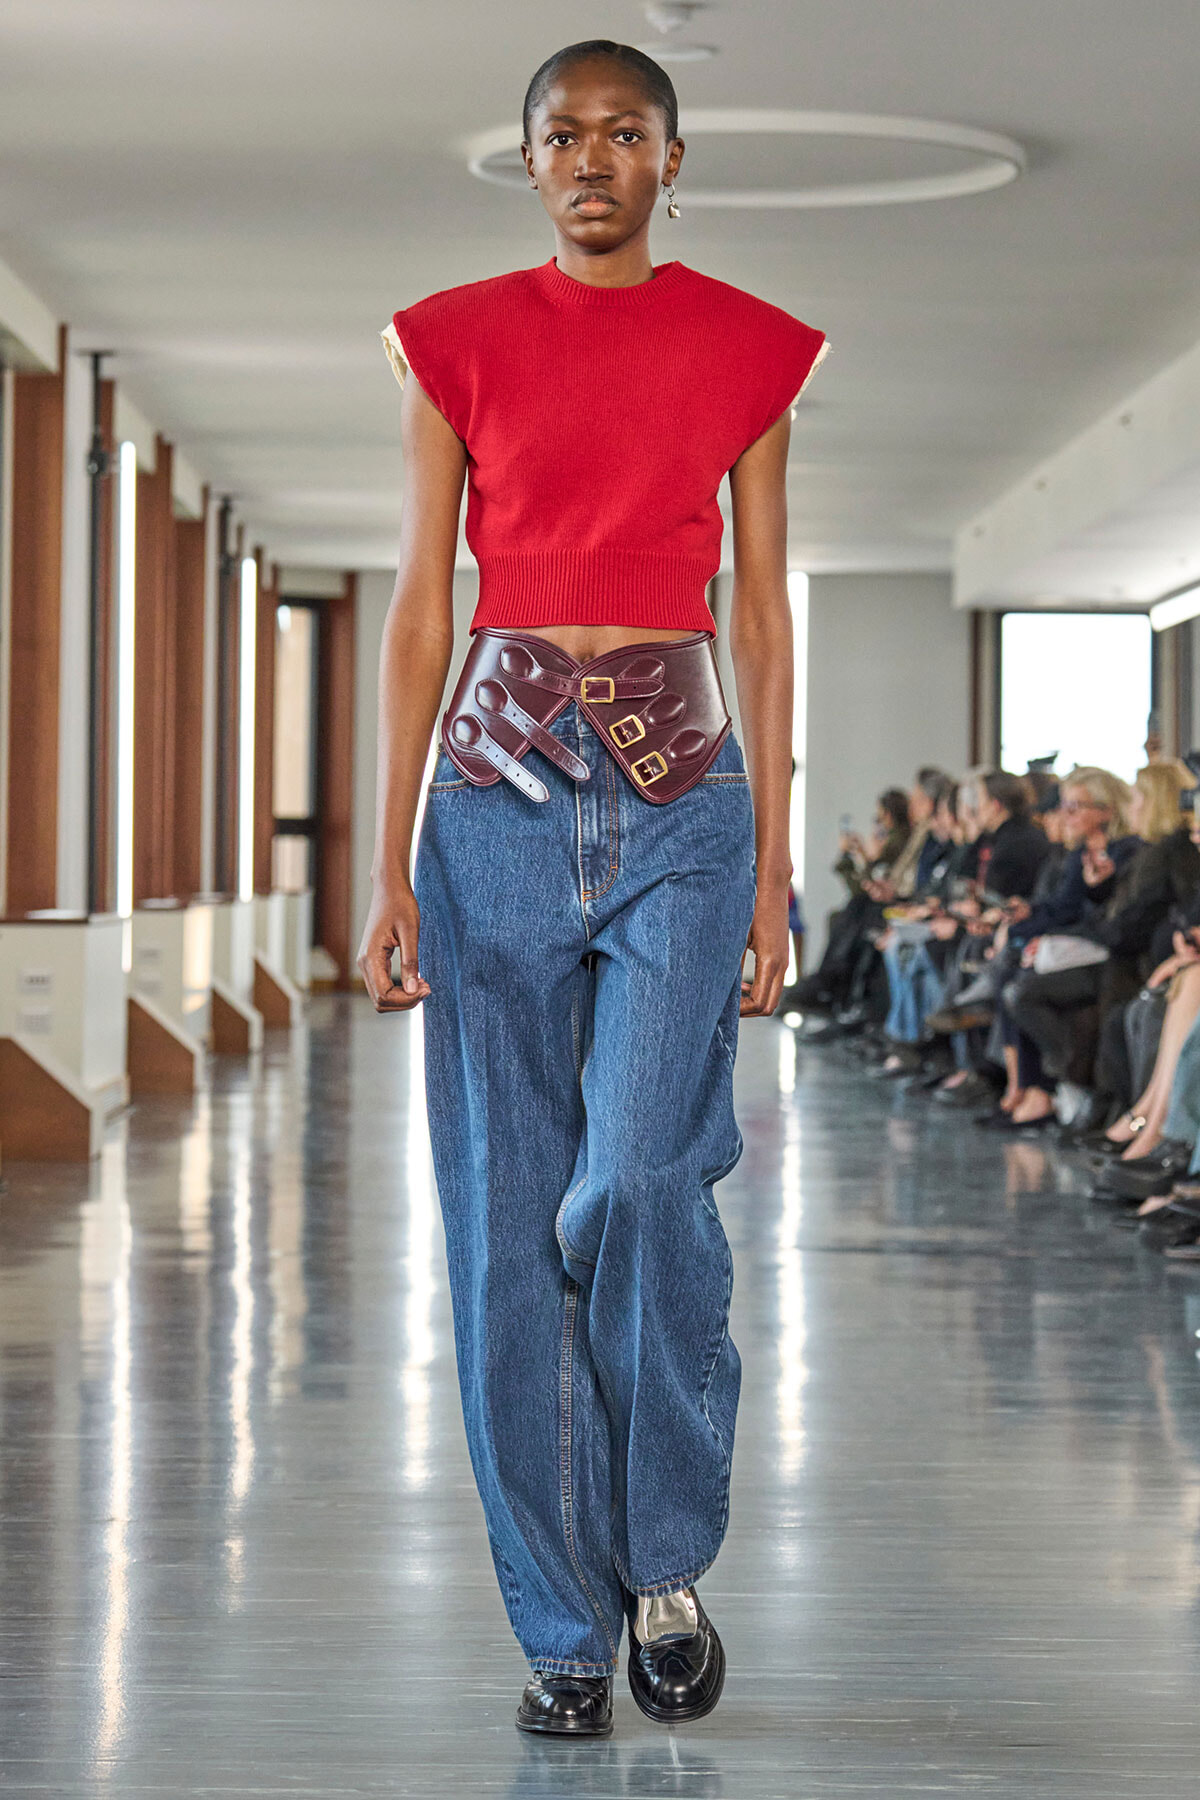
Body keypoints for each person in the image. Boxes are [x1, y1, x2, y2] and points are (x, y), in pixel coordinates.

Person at [355, 40, 828, 1740]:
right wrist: (386, 853)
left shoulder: (750, 350)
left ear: (673, 158)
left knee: (638, 1181)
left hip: (688, 796)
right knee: (501, 1231)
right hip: (489, 793)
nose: (592, 159)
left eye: (626, 133)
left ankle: (667, 1553)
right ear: (529, 158)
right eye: (564, 135)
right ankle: (561, 1626)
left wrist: (775, 855)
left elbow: (764, 614)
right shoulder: (451, 342)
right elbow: (424, 605)